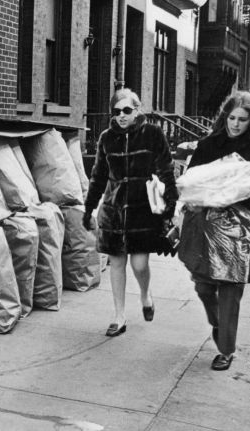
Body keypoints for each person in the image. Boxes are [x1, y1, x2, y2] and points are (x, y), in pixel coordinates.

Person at [184, 91, 250, 371]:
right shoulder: (209, 144)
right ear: (225, 116)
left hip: (239, 229)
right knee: (203, 285)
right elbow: (192, 180)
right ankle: (219, 325)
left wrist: (227, 190)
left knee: (231, 289)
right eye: (232, 118)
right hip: (205, 224)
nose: (235, 124)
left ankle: (226, 348)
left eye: (242, 119)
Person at [83, 88, 178, 337]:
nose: (122, 116)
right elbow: (98, 176)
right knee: (116, 263)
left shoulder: (153, 134)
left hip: (142, 211)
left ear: (137, 109)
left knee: (139, 263)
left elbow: (167, 170)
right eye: (117, 112)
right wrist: (89, 207)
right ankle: (119, 316)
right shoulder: (106, 138)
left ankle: (145, 295)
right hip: (113, 211)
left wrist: (170, 203)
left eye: (127, 110)